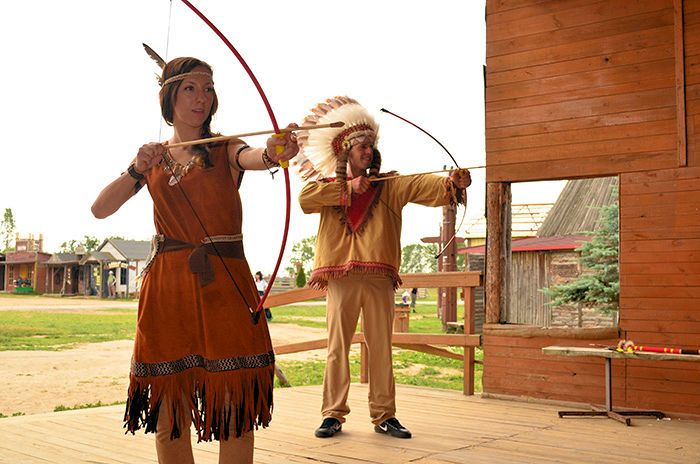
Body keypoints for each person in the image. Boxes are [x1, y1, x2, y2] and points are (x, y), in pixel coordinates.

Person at [91, 55, 298, 463]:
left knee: (233, 402)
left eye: (207, 89)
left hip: (225, 284)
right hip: (167, 288)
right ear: (169, 96)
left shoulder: (225, 147)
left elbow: (254, 156)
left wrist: (276, 150)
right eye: (190, 88)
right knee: (170, 402)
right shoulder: (151, 158)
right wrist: (136, 169)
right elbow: (100, 209)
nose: (201, 98)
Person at [296, 96, 471, 440]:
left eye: (370, 145)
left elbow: (427, 185)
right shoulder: (326, 188)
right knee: (337, 348)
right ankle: (332, 414)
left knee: (381, 348)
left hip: (377, 277)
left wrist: (452, 182)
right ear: (345, 151)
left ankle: (384, 415)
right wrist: (346, 187)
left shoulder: (391, 185)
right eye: (360, 145)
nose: (367, 150)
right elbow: (304, 200)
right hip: (341, 277)